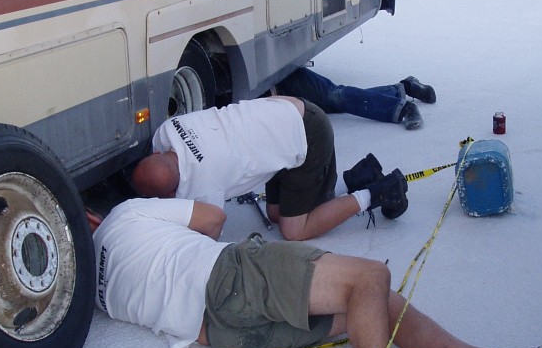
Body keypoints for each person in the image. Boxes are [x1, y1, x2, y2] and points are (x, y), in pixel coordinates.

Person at [89, 198, 542, 348]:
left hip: (217, 334)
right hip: (227, 276)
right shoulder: (125, 214)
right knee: (370, 277)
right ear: (91, 214)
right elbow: (212, 219)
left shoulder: (97, 294)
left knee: (368, 306)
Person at [130, 95, 408, 241]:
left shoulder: (204, 180)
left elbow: (210, 228)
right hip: (281, 114)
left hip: (306, 134)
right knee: (276, 214)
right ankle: (358, 177)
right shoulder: (167, 131)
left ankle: (379, 192)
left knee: (294, 230)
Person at [275, 67, 436, 130]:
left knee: (334, 96)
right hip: (279, 96)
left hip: (282, 75)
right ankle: (404, 88)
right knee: (333, 104)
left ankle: (403, 109)